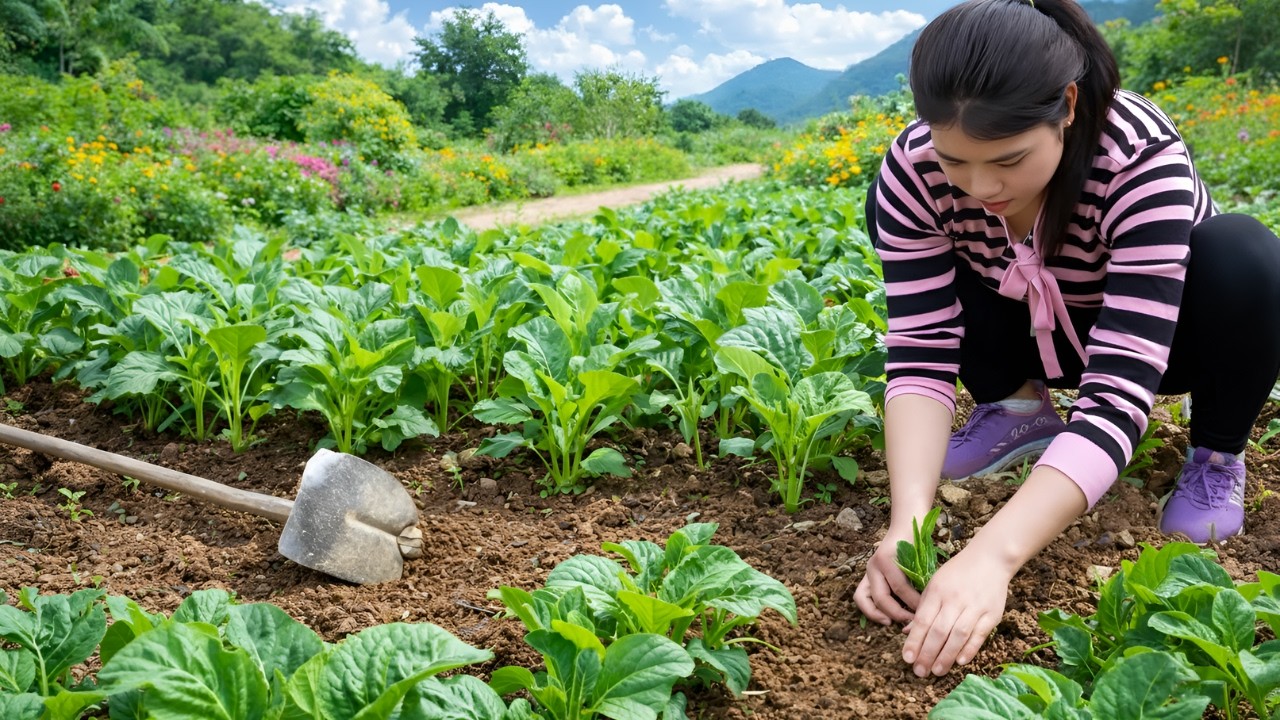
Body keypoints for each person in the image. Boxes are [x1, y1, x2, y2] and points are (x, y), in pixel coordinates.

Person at [853, 0, 1280, 680]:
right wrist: (908, 523)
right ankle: (1018, 412)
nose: (982, 185)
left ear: (1069, 105)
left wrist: (992, 557)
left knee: (1245, 256)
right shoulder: (915, 170)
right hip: (1031, 325)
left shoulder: (1139, 159)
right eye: (958, 161)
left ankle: (1216, 455)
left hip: (1161, 338)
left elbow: (1116, 394)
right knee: (945, 256)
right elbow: (922, 346)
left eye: (1009, 159)